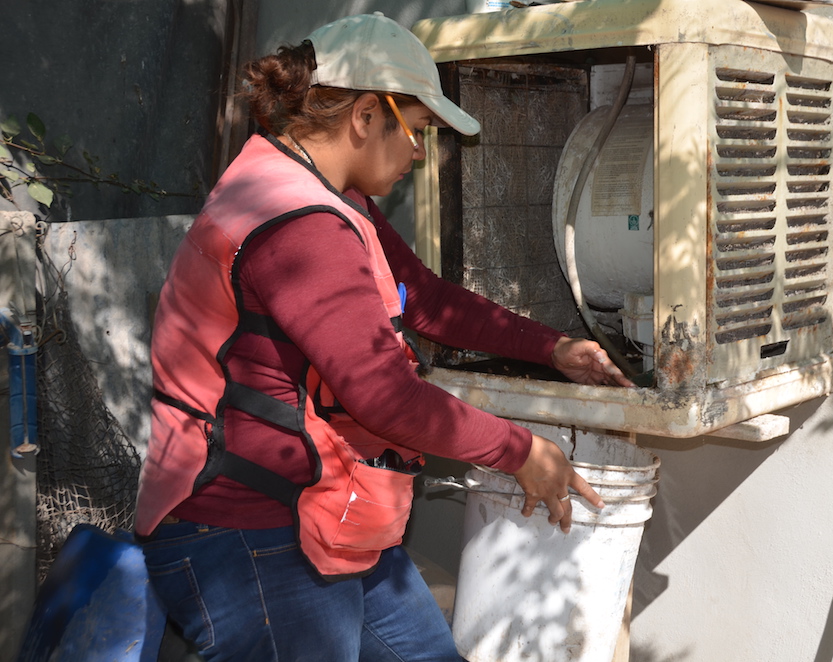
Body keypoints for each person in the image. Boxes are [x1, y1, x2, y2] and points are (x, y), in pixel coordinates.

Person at [134, 12, 633, 662]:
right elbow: (385, 398)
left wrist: (552, 348)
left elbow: (424, 299)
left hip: (320, 515)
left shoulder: (319, 196)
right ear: (366, 116)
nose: (421, 154)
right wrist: (521, 451)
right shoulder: (299, 223)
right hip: (248, 534)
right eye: (417, 129)